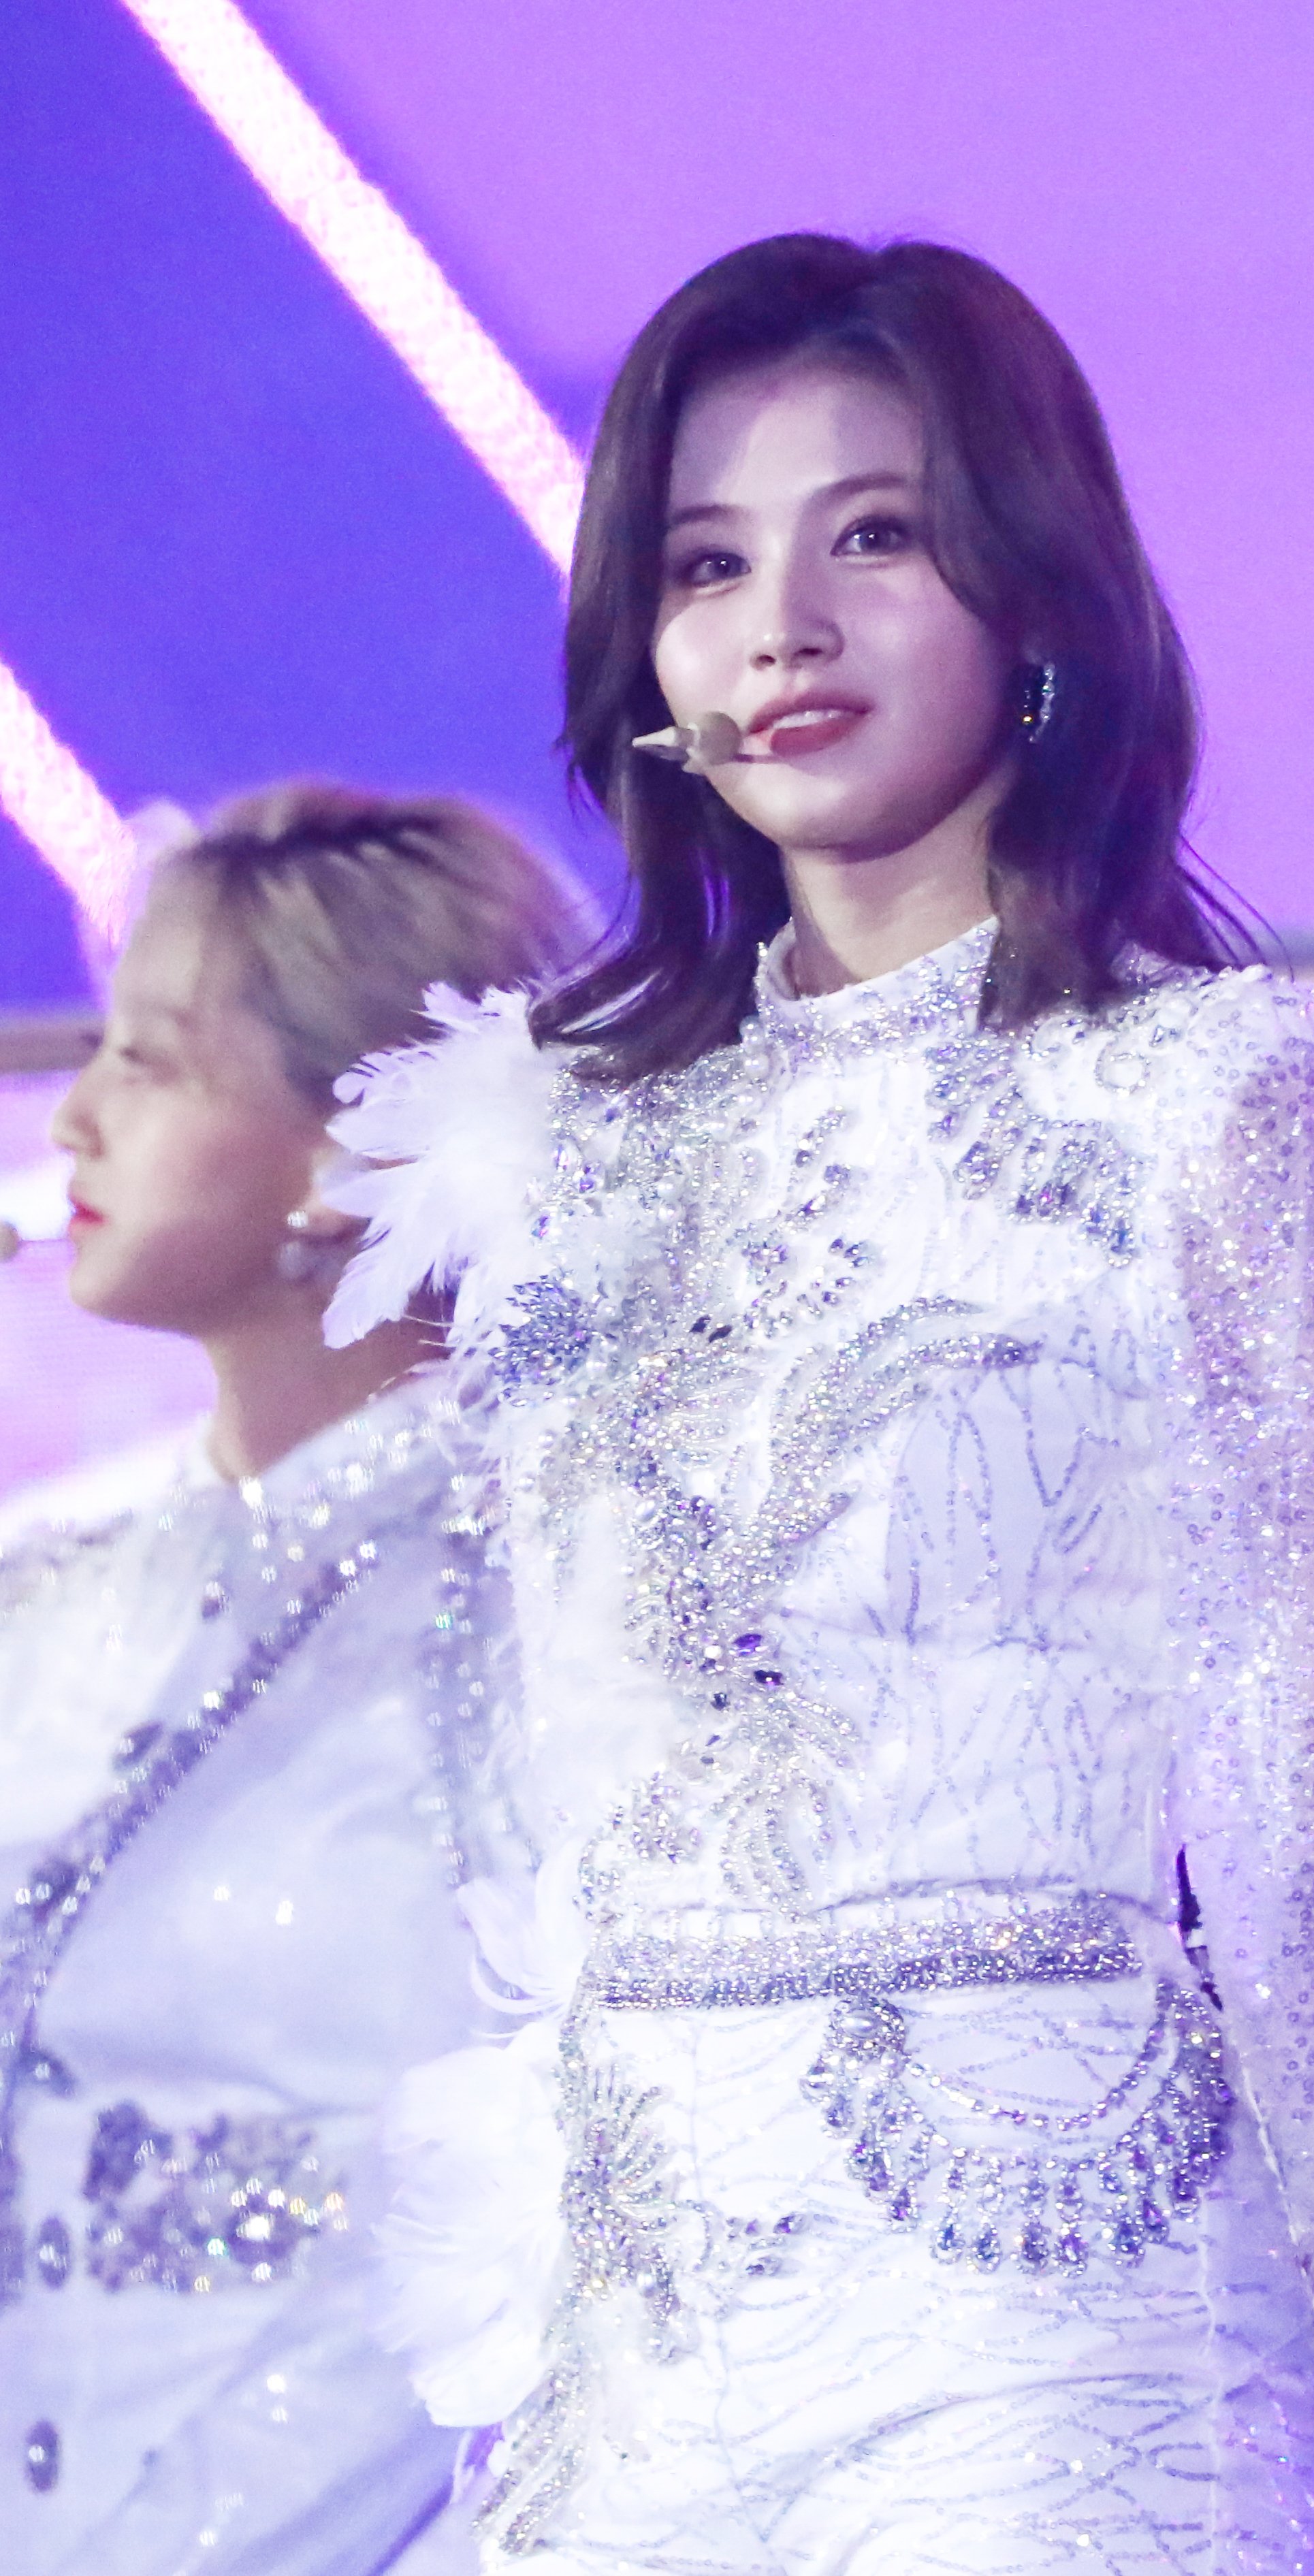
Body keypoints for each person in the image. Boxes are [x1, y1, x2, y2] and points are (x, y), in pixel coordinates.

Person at [326, 237, 1314, 2576]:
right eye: (705, 565)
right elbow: (530, 1788)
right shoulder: (570, 1155)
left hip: (1059, 2325)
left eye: (871, 536)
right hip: (639, 2358)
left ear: (1036, 590)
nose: (779, 628)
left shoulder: (1223, 1097)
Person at [0, 784, 581, 2574]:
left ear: (353, 1157)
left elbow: (535, 2208)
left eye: (149, 1063)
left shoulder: (551, 1597)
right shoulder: (56, 1589)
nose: (74, 1117)